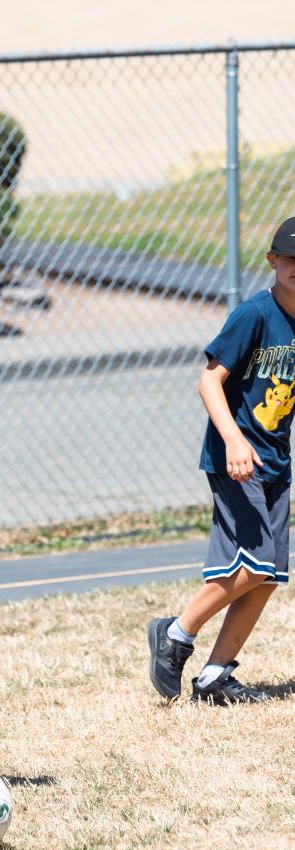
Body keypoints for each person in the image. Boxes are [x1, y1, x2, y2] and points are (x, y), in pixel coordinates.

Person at [148, 217, 295, 704]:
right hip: (235, 456)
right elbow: (209, 381)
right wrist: (233, 440)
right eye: (289, 260)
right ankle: (175, 633)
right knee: (254, 566)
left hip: (274, 460)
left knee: (268, 577)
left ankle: (213, 676)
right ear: (273, 262)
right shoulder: (254, 314)